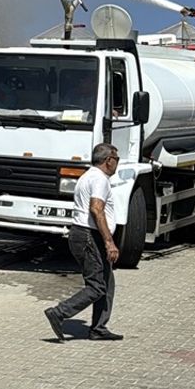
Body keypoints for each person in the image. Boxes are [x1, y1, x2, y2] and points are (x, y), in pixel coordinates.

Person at [44, 143, 123, 343]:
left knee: (107, 283)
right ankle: (59, 312)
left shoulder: (87, 176)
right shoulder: (99, 179)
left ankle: (99, 328)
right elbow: (96, 209)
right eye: (117, 159)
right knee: (97, 286)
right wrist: (109, 242)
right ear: (108, 160)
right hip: (89, 236)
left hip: (81, 234)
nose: (117, 164)